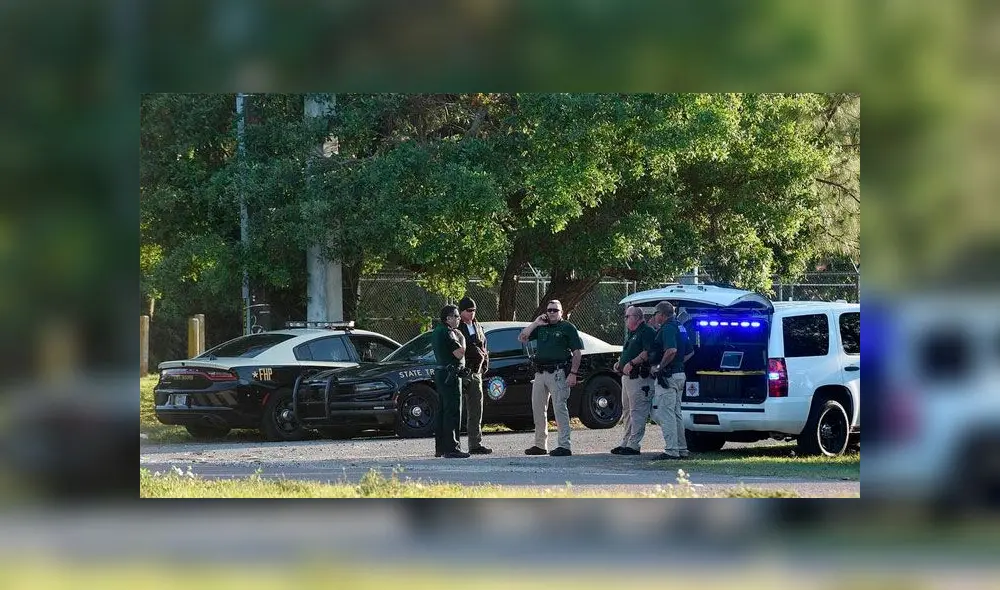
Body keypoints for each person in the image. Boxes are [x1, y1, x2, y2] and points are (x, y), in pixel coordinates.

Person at [517, 300, 583, 456]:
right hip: (540, 373)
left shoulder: (567, 327)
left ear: (561, 312)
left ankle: (564, 445)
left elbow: (577, 352)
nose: (552, 313)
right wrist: (536, 323)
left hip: (558, 373)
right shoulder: (541, 327)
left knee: (560, 408)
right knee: (538, 409)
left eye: (555, 310)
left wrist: (573, 373)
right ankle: (540, 445)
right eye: (549, 310)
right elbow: (522, 338)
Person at [610, 306, 656, 456]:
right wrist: (620, 363)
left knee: (638, 411)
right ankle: (626, 441)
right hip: (627, 378)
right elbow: (628, 352)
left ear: (636, 317)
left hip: (640, 378)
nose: (625, 319)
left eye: (627, 316)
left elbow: (648, 352)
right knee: (627, 411)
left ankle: (634, 444)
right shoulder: (631, 333)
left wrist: (632, 363)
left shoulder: (646, 331)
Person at [649, 301, 690, 460]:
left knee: (666, 413)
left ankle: (672, 450)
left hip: (668, 376)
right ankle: (681, 448)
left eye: (655, 314)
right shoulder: (681, 327)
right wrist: (677, 364)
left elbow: (671, 350)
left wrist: (660, 367)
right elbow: (688, 353)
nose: (655, 317)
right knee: (676, 413)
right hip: (679, 374)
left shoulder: (667, 328)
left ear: (662, 314)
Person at [431, 305, 470, 459]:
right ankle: (452, 447)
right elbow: (459, 353)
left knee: (442, 411)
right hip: (451, 374)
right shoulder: (449, 332)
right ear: (448, 318)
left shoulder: (437, 331)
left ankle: (440, 447)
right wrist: (463, 339)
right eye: (456, 316)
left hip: (442, 373)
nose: (459, 319)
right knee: (452, 411)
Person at [457, 296, 492, 454]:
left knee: (476, 409)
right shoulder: (457, 327)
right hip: (463, 372)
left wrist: (484, 365)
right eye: (468, 310)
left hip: (476, 372)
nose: (471, 313)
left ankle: (475, 443)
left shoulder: (478, 326)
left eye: (473, 310)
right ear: (461, 311)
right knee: (457, 409)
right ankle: (452, 444)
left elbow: (484, 347)